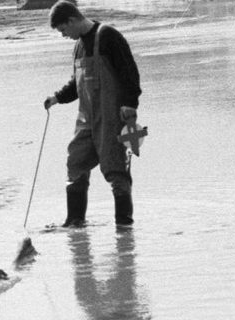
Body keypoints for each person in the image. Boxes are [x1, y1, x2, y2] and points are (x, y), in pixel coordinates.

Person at [43, 1, 142, 228]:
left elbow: (130, 74)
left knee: (116, 170)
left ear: (71, 20)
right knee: (75, 162)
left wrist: (130, 104)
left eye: (63, 30)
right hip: (86, 120)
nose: (63, 35)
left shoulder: (109, 36)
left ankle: (124, 229)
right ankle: (75, 222)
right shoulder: (78, 46)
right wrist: (56, 98)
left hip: (112, 119)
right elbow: (76, 85)